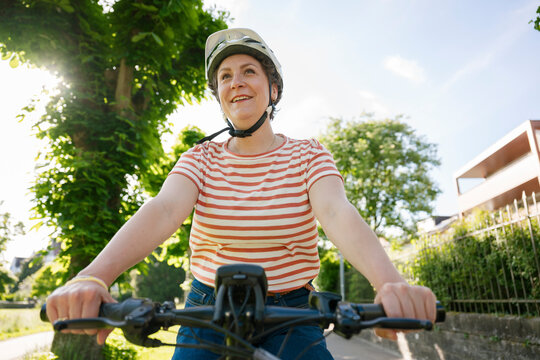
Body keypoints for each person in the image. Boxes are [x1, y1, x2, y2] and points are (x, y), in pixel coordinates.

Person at [46, 28, 437, 360]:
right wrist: (93, 277)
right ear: (219, 95)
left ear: (274, 88)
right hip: (207, 308)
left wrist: (390, 285)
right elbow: (164, 209)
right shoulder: (200, 158)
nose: (236, 82)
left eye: (249, 71)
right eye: (225, 77)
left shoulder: (308, 153)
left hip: (291, 312)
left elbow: (335, 211)